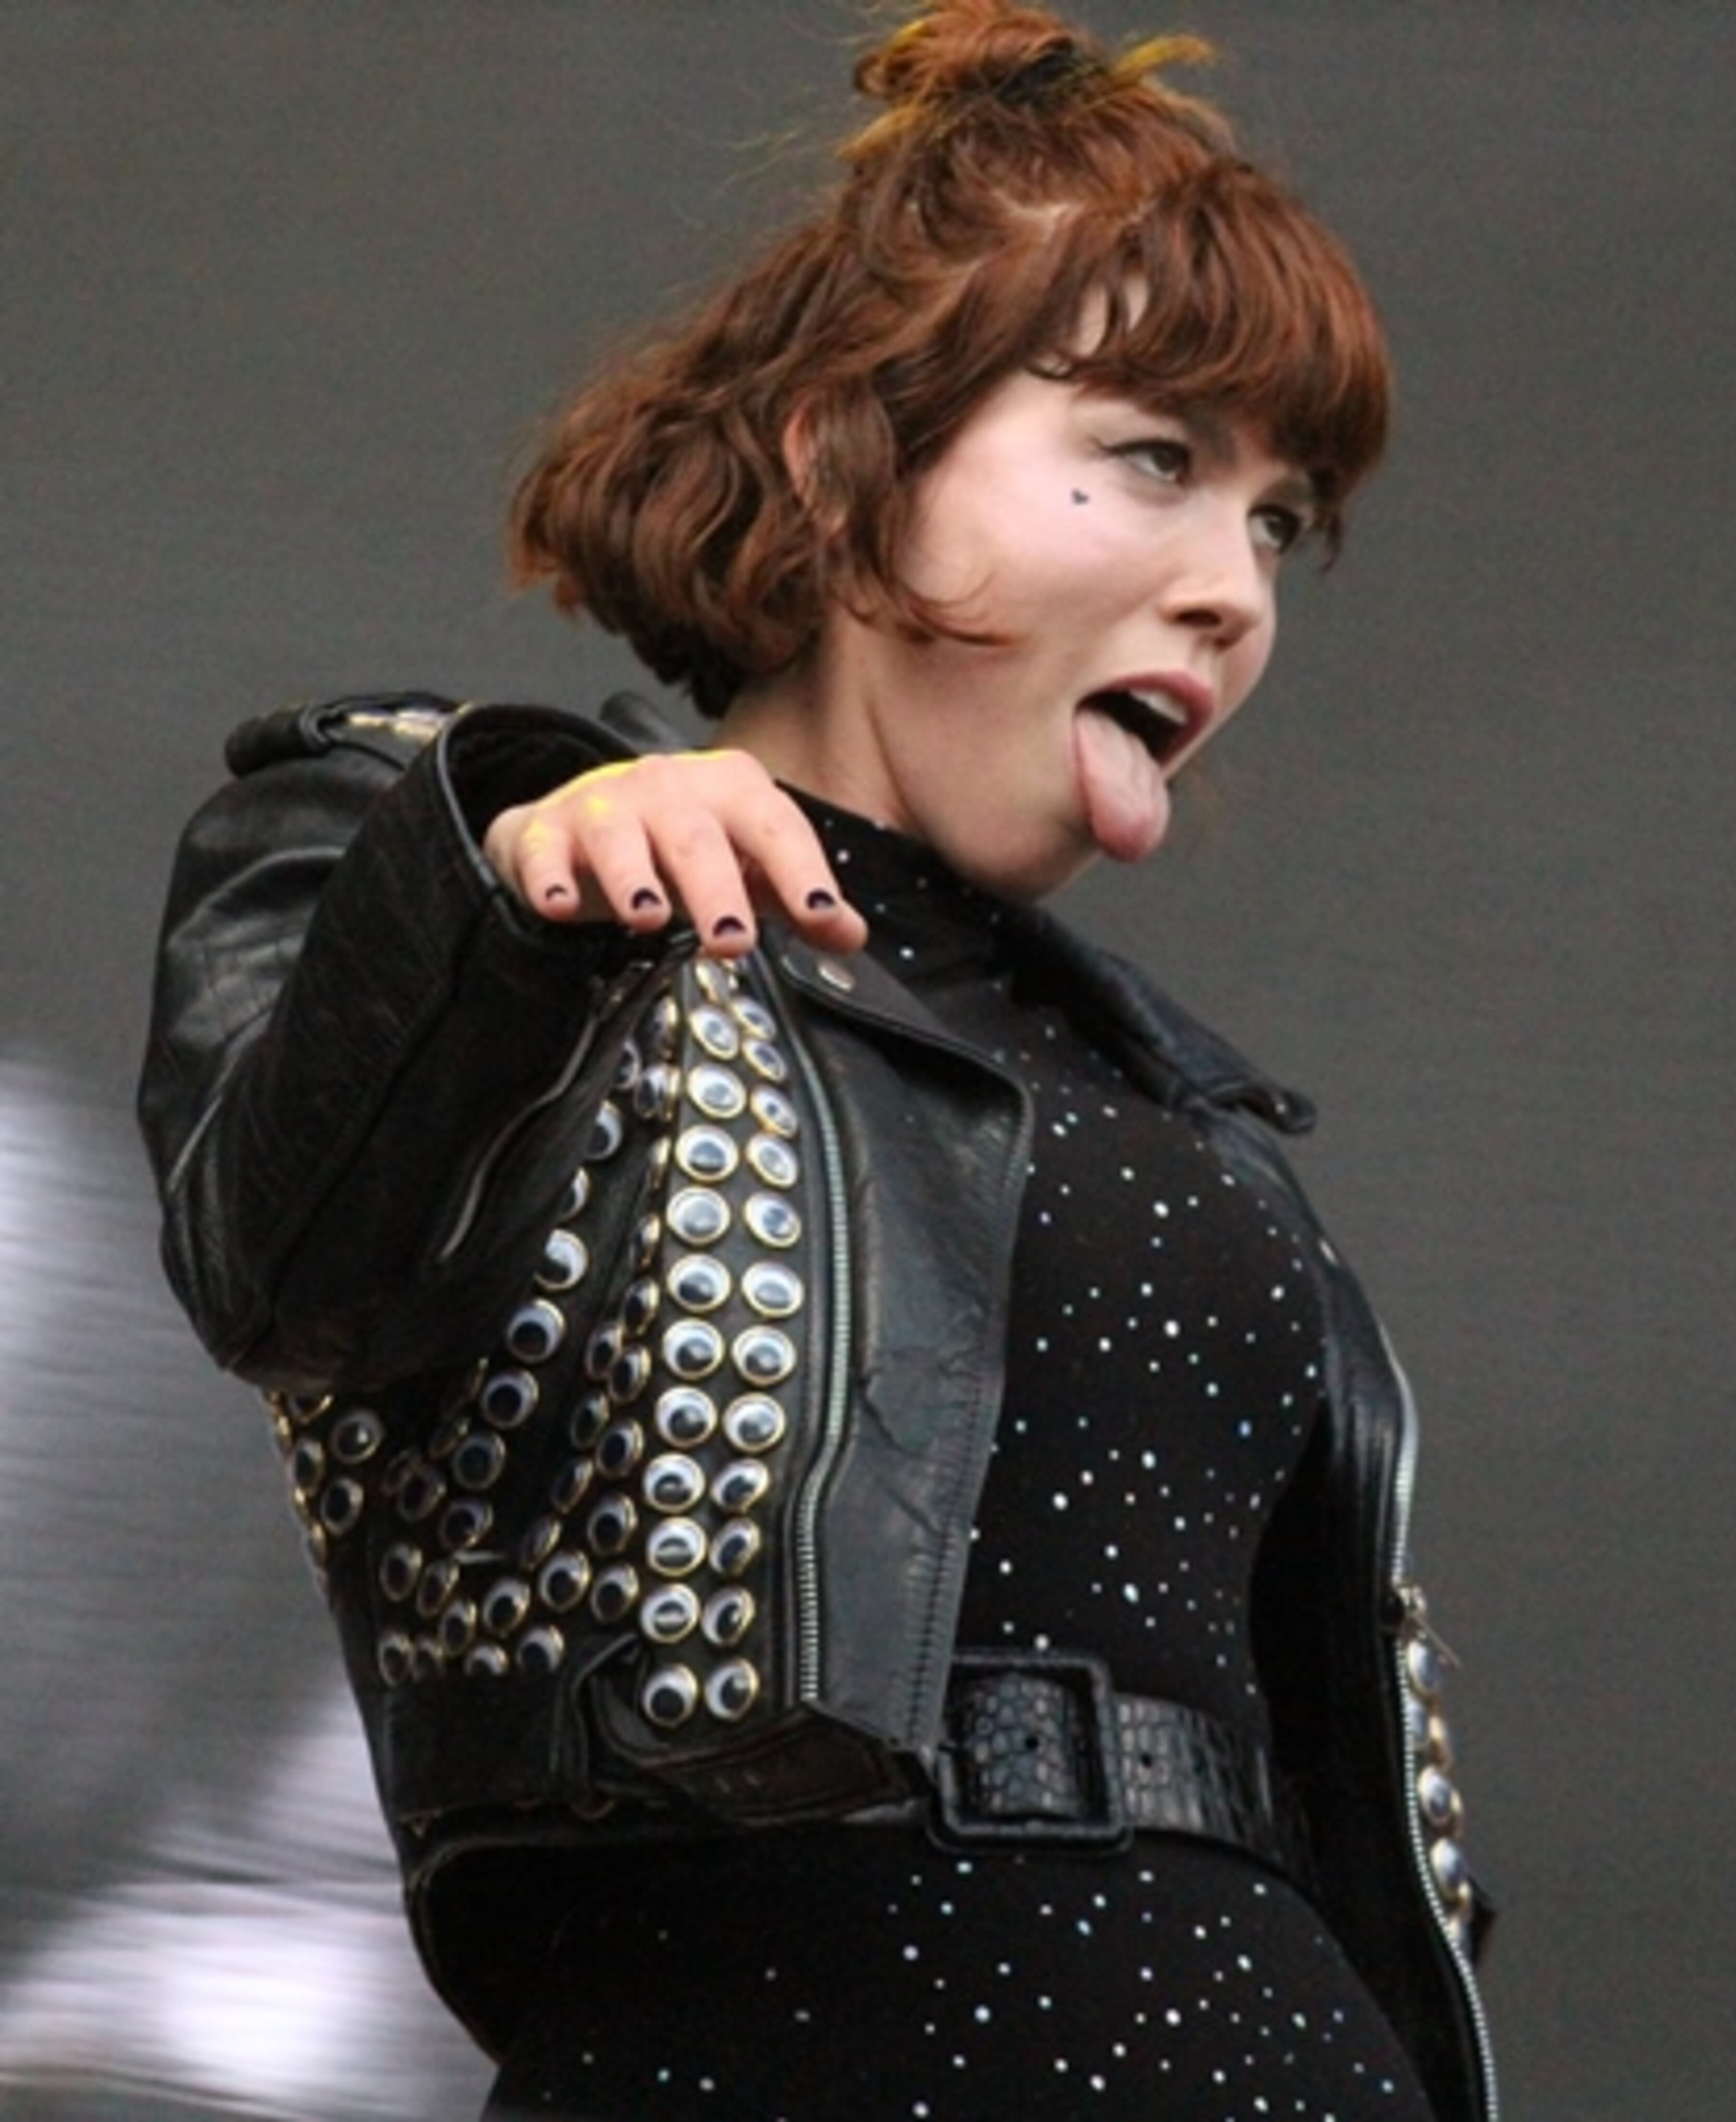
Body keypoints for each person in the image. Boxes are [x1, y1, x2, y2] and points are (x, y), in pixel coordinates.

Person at [139, 4, 1497, 2117]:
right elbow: (275, 1263)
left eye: (1278, 525)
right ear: (845, 455)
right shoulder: (458, 855)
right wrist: (512, 880)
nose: (1235, 591)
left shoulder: (1178, 1104)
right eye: (1157, 457)